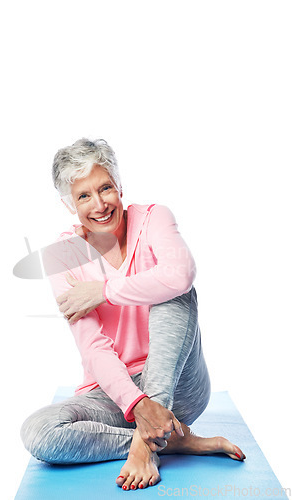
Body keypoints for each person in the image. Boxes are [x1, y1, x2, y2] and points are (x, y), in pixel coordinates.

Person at [20, 138, 245, 491]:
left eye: (105, 188)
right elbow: (92, 347)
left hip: (179, 387)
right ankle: (170, 441)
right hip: (115, 395)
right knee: (39, 433)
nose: (99, 204)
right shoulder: (62, 255)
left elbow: (180, 275)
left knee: (176, 293)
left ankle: (145, 445)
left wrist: (104, 291)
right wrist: (137, 404)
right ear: (68, 204)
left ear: (119, 185)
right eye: (83, 196)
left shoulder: (155, 218)